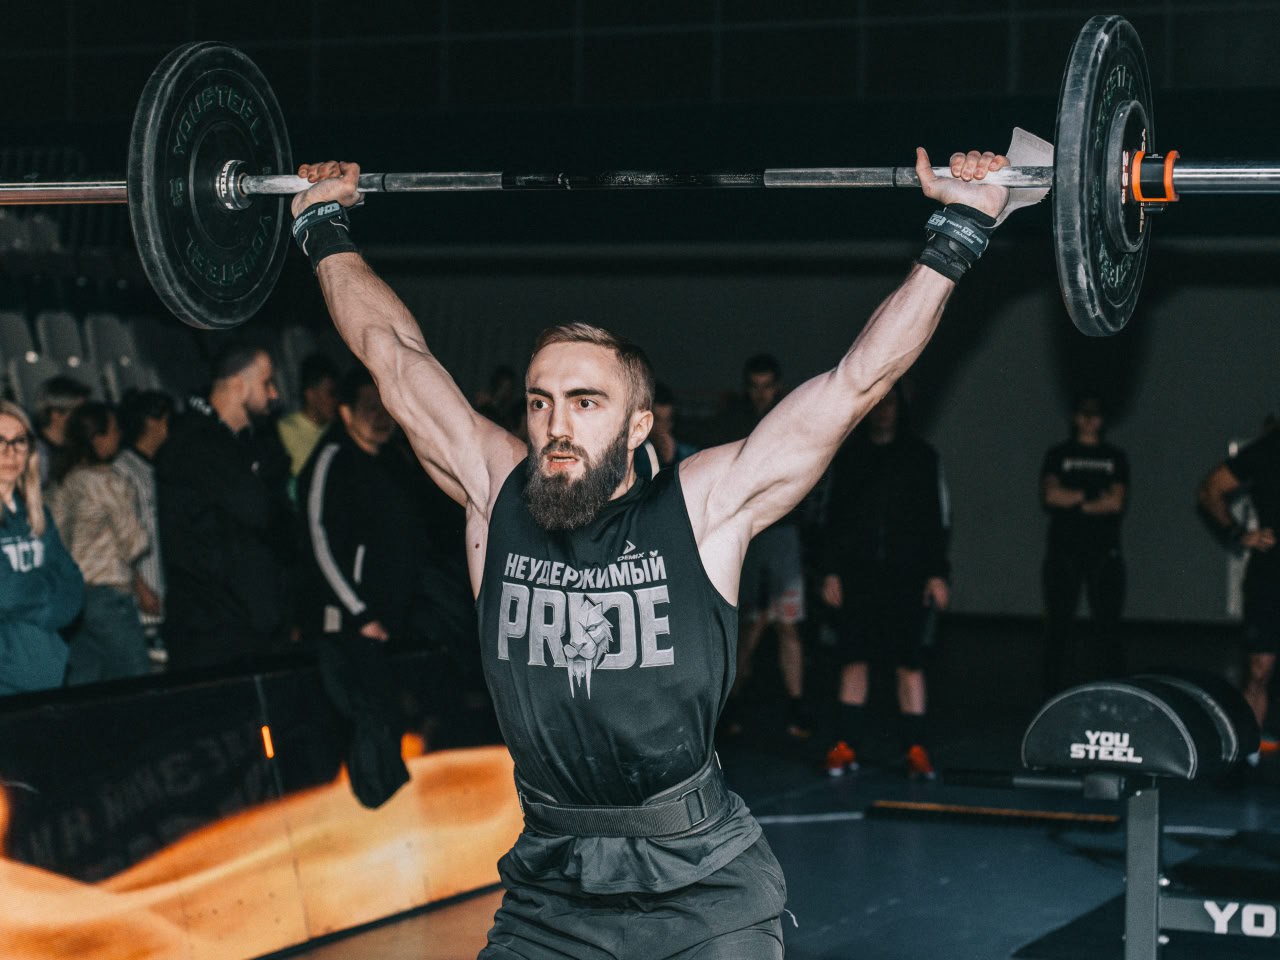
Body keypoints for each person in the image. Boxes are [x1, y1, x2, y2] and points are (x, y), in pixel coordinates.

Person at [290, 145, 1012, 959]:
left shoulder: (702, 507)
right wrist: (323, 227)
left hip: (703, 887)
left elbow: (855, 384)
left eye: (585, 403)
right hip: (550, 891)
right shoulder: (495, 491)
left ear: (639, 426)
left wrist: (959, 231)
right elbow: (393, 354)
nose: (557, 426)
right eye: (541, 402)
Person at [296, 366, 432, 806]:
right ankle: (373, 809)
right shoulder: (332, 459)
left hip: (392, 621)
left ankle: (394, 805)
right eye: (369, 408)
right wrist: (359, 612)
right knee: (366, 721)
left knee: (394, 718)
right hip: (351, 625)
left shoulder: (392, 459)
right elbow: (318, 541)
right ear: (345, 412)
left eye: (384, 407)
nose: (380, 417)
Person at [819, 384, 950, 779]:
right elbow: (830, 518)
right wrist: (830, 571)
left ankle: (916, 750)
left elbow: (938, 520)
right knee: (853, 660)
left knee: (909, 663)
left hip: (906, 575)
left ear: (900, 407)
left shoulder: (922, 457)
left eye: (890, 403)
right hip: (858, 575)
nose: (883, 411)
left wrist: (937, 573)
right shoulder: (848, 457)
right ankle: (844, 747)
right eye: (877, 403)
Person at [156, 345, 293, 672]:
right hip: (213, 634)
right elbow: (261, 511)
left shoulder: (241, 442)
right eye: (266, 383)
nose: (274, 394)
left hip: (249, 624)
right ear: (239, 385)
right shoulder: (194, 443)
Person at [721, 355, 810, 738]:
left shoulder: (789, 420)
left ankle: (797, 709)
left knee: (787, 625)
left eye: (767, 386)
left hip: (783, 533)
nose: (761, 394)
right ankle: (732, 708)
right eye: (755, 387)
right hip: (749, 532)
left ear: (778, 386)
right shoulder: (736, 422)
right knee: (749, 626)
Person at [47, 402, 150, 685]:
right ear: (97, 439)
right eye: (114, 430)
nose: (119, 435)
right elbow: (135, 542)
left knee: (89, 683)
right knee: (136, 680)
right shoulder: (105, 481)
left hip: (74, 596)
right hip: (107, 594)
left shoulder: (64, 480)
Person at [1039, 394, 1129, 695]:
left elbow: (1115, 503)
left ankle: (1116, 692)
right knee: (1058, 626)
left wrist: (1074, 497)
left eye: (1096, 414)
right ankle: (1049, 694)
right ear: (1075, 417)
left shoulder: (1114, 457)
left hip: (1103, 552)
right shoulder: (1058, 454)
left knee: (1108, 626)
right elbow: (1051, 496)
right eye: (1084, 413)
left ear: (1102, 420)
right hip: (1064, 550)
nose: (1090, 420)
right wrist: (1093, 497)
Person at [1199, 425, 1280, 751]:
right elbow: (1211, 489)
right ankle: (1248, 750)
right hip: (1271, 574)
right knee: (1259, 669)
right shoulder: (1270, 448)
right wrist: (1238, 534)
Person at [0, 401, 84, 695]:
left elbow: (74, 588)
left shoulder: (37, 514)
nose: (10, 452)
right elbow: (5, 591)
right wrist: (49, 588)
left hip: (44, 670)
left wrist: (29, 596)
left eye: (19, 441)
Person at [115, 389, 175, 666]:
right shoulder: (123, 470)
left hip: (164, 597)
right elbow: (118, 539)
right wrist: (140, 588)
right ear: (153, 422)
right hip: (143, 604)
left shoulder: (158, 466)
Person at [278, 351, 339, 477]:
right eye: (331, 393)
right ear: (310, 394)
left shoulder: (338, 430)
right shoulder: (285, 429)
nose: (336, 401)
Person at [33, 374, 90, 488]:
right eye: (78, 412)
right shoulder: (37, 453)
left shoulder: (78, 446)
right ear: (56, 414)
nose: (84, 417)